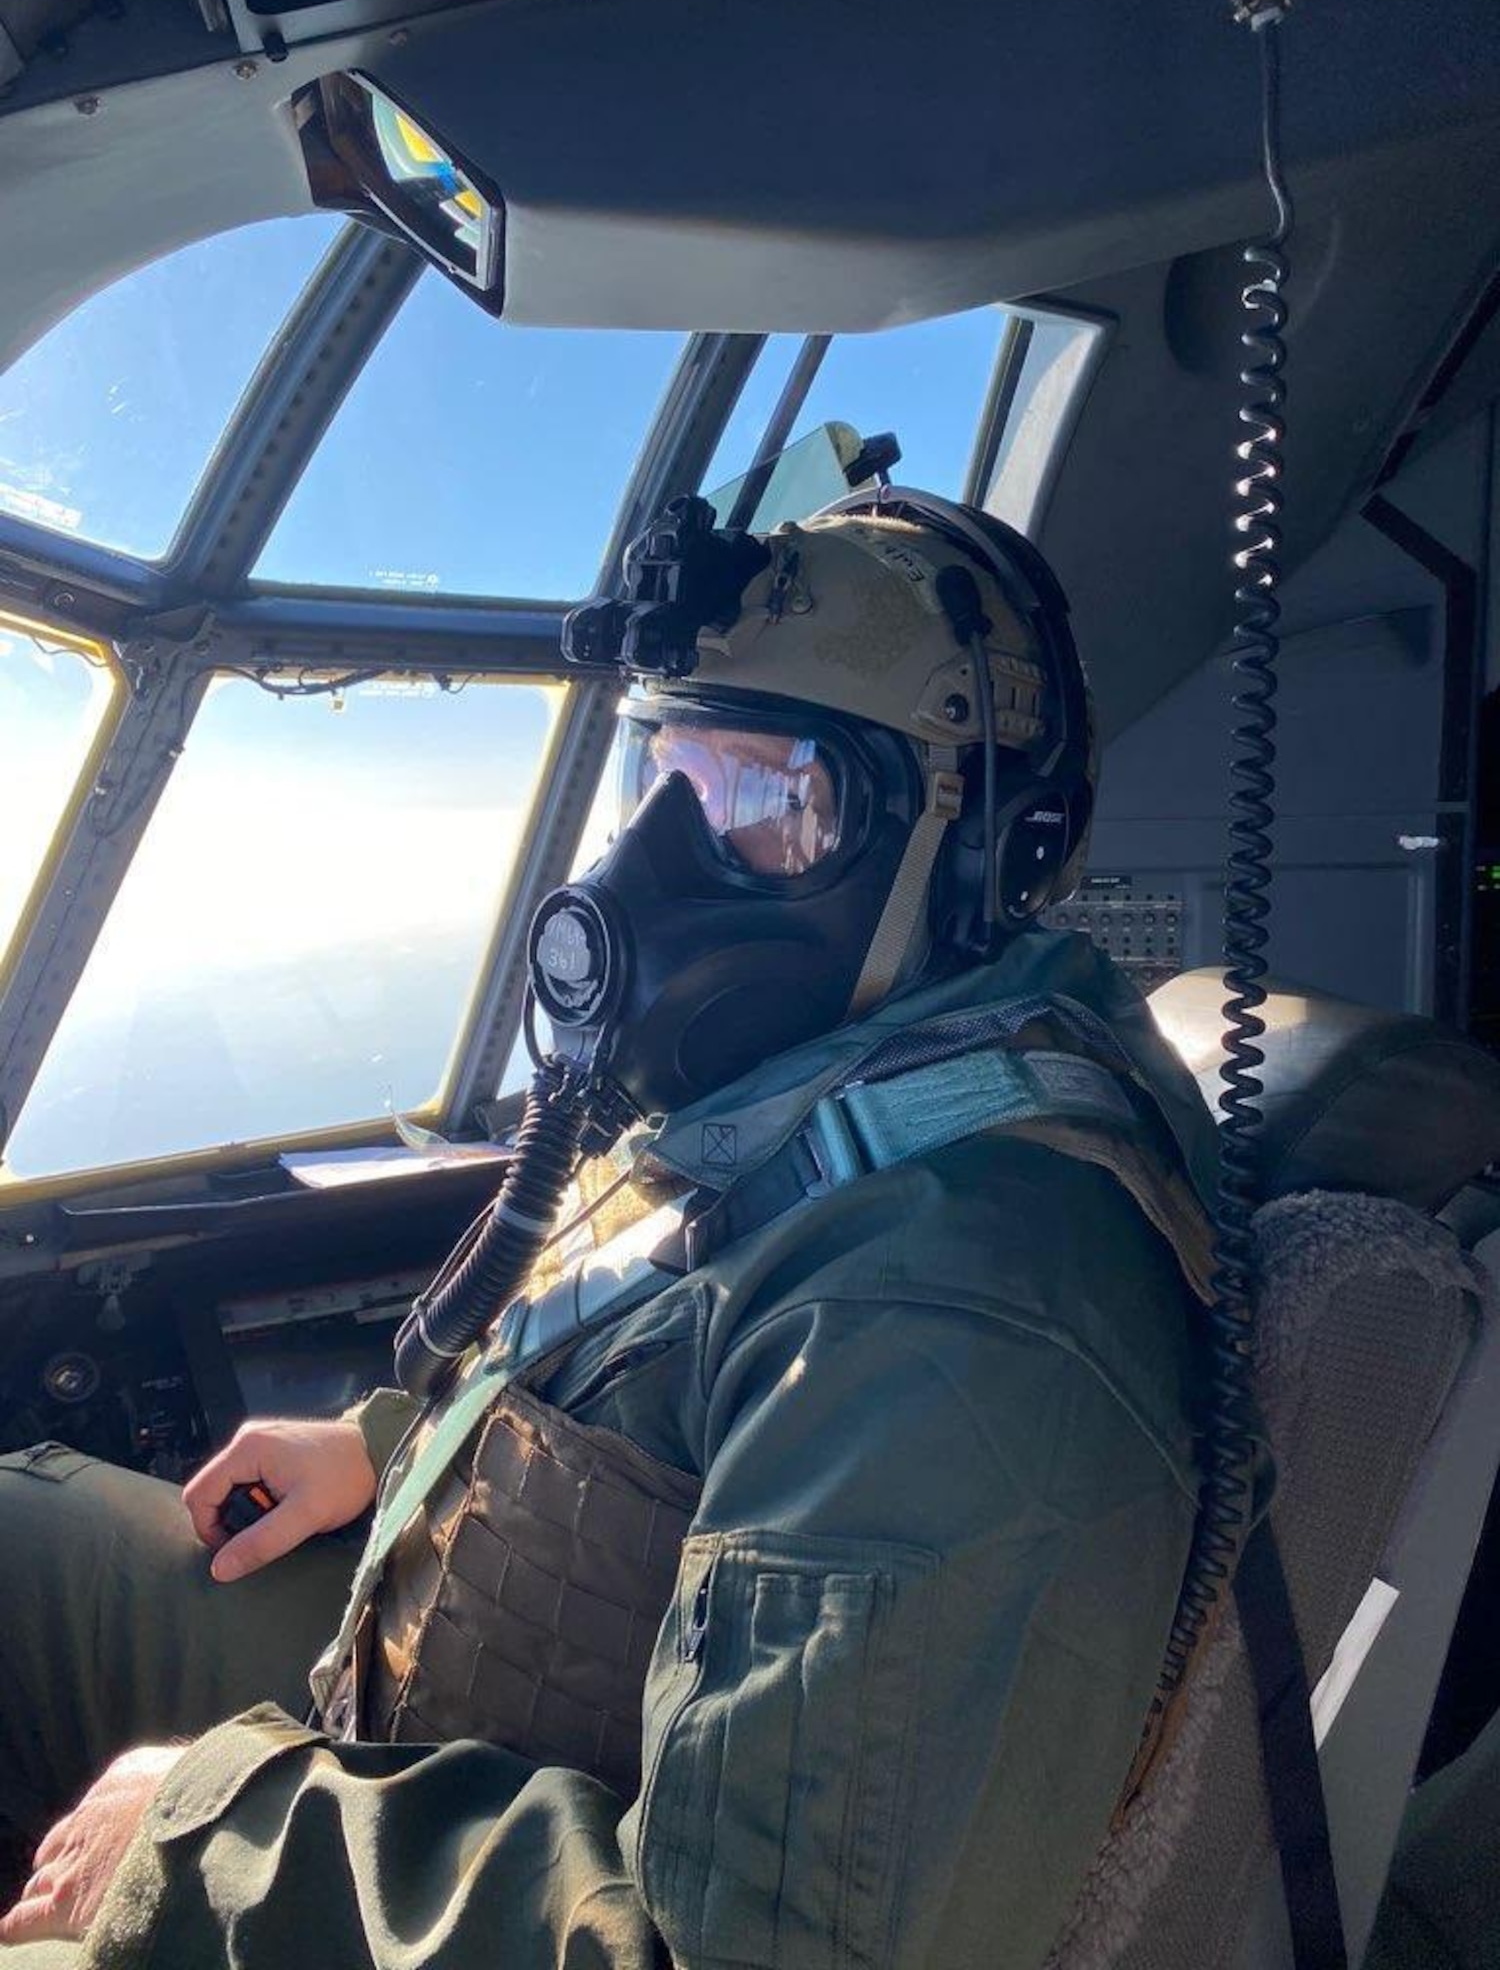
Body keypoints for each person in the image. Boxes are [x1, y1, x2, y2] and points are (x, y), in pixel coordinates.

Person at [0, 490, 1217, 1969]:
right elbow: (665, 1356)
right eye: (674, 772)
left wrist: (207, 1828)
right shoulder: (844, 1076)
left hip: (532, 1815)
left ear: (981, 862)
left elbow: (742, 1951)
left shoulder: (964, 1312)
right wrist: (393, 1447)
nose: (658, 862)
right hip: (488, 1688)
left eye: (777, 801)